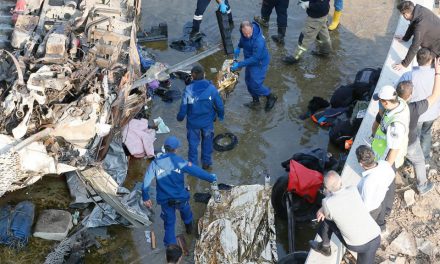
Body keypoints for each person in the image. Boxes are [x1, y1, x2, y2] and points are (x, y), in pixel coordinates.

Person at [142, 136, 217, 246]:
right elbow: (197, 172)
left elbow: (146, 182)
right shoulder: (181, 162)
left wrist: (145, 197)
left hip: (165, 202)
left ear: (164, 148)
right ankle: (189, 229)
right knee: (186, 213)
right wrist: (211, 178)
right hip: (181, 198)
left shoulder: (155, 163)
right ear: (176, 149)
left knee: (169, 225)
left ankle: (171, 252)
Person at [309, 171, 381, 264]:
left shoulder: (327, 202)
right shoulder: (353, 189)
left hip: (357, 245)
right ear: (341, 181)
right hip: (375, 237)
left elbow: (327, 211)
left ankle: (325, 247)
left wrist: (322, 209)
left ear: (327, 189)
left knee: (326, 219)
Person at [395, 59, 440, 194]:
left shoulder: (391, 105)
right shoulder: (414, 108)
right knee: (419, 161)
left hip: (396, 140)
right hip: (410, 141)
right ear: (410, 96)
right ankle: (422, 186)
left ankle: (405, 162)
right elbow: (434, 95)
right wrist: (437, 74)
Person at [177, 65, 224, 170]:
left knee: (193, 145)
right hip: (207, 123)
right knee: (207, 143)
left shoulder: (188, 90)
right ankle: (206, 163)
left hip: (193, 124)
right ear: (204, 74)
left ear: (193, 75)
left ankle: (193, 167)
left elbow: (183, 108)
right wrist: (221, 116)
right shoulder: (212, 88)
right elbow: (219, 105)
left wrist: (180, 118)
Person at [398, 48, 439, 165]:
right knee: (426, 133)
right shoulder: (437, 76)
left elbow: (400, 93)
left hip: (417, 114)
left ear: (417, 60)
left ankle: (412, 160)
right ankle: (425, 157)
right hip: (433, 113)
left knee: (414, 137)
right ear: (431, 60)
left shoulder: (409, 75)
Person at [230, 21, 277, 111]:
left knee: (255, 84)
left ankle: (270, 96)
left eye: (249, 33)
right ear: (242, 30)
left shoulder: (259, 41)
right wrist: (238, 47)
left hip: (259, 63)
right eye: (245, 33)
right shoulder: (244, 33)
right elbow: (243, 39)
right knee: (248, 81)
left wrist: (239, 64)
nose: (247, 35)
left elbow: (255, 59)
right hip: (249, 61)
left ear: (252, 28)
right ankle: (256, 101)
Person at [356, 145, 395, 233]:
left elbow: (366, 206)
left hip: (372, 209)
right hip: (381, 200)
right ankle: (381, 228)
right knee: (380, 215)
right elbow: (392, 174)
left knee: (366, 227)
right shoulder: (383, 164)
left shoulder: (367, 183)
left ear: (361, 164)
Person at [392, 1, 440, 71]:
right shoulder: (419, 10)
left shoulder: (420, 26)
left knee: (429, 68)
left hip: (437, 48)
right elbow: (413, 24)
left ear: (405, 14)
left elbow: (415, 46)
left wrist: (404, 64)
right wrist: (405, 38)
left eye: (402, 14)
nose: (403, 16)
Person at [282, 0, 332, 64]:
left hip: (314, 19)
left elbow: (320, 5)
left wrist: (308, 4)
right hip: (323, 15)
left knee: (305, 38)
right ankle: (325, 51)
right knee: (323, 36)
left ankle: (295, 57)